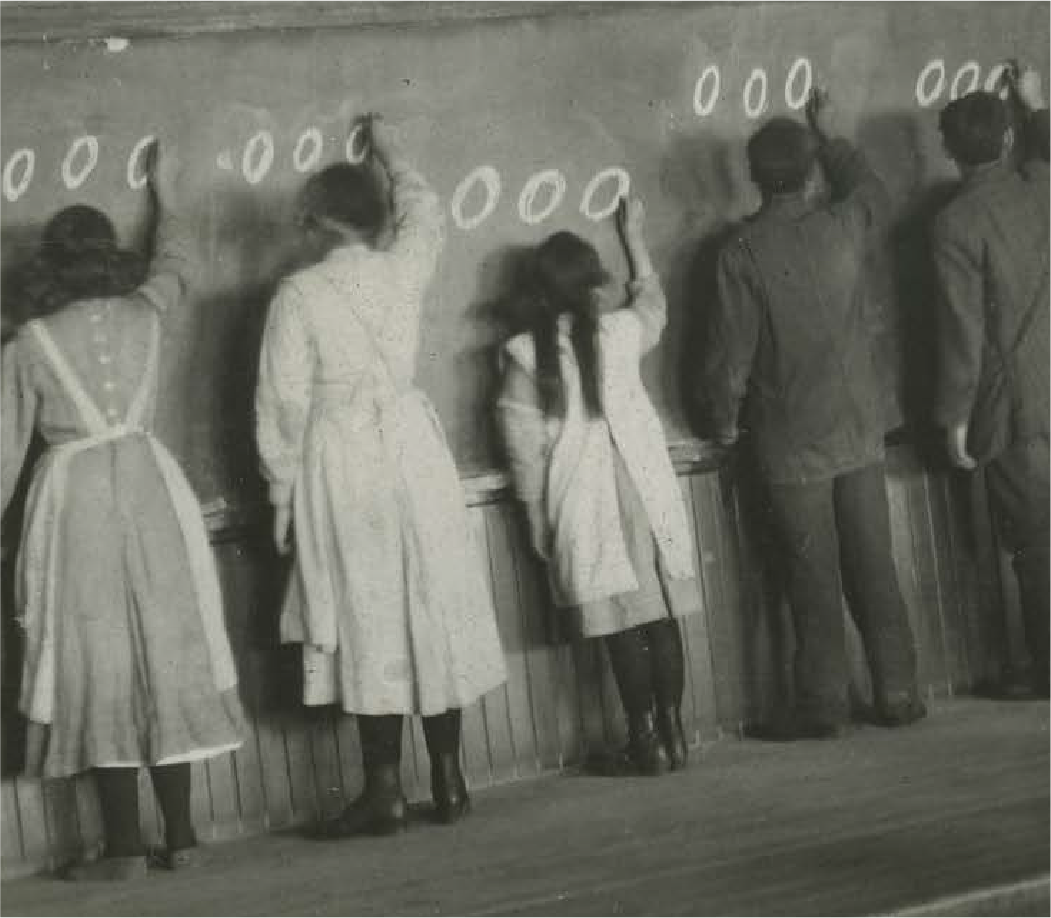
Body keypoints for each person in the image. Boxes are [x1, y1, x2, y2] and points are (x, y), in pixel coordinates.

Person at [255, 116, 506, 836]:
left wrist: (279, 494)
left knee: (369, 614)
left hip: (342, 458)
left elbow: (281, 403)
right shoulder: (405, 264)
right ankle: (451, 779)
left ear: (317, 222)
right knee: (429, 601)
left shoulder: (298, 295)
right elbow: (426, 209)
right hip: (412, 447)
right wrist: (393, 153)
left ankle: (385, 790)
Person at [0, 144, 244, 879]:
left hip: (72, 506)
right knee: (167, 656)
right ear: (109, 256)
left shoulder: (27, 345)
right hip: (152, 489)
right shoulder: (147, 310)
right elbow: (177, 261)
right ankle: (182, 835)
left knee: (97, 664)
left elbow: (3, 457)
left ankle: (124, 850)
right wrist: (165, 196)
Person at [698, 89, 924, 740]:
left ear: (751, 175)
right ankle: (899, 692)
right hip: (858, 429)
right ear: (808, 172)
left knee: (811, 574)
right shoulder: (843, 222)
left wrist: (719, 424)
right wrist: (830, 136)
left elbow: (728, 361)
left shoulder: (739, 255)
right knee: (873, 565)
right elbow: (872, 189)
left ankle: (822, 705)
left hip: (790, 442)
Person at [497, 198, 700, 775]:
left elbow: (523, 451)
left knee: (620, 626)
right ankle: (673, 733)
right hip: (643, 491)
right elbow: (653, 304)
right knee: (659, 618)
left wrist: (537, 520)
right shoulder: (619, 331)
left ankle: (644, 741)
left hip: (587, 505)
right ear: (592, 289)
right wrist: (633, 236)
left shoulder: (524, 353)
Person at [933, 64, 1051, 699]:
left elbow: (962, 332)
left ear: (948, 151)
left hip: (1018, 412)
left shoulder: (955, 223)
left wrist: (954, 417)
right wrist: (1035, 105)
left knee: (1038, 545)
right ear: (1008, 141)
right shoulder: (1043, 184)